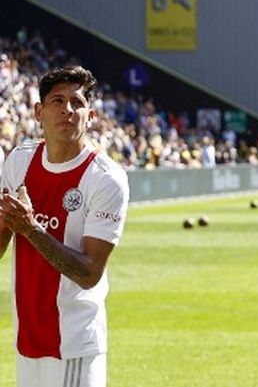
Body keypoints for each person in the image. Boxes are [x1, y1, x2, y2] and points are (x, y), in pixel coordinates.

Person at [0, 65, 129, 387]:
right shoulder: (19, 161)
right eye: (58, 100)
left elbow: (89, 273)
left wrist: (31, 230)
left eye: (77, 102)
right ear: (38, 111)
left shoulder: (105, 178)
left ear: (92, 115)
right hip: (27, 337)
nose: (67, 110)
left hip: (74, 342)